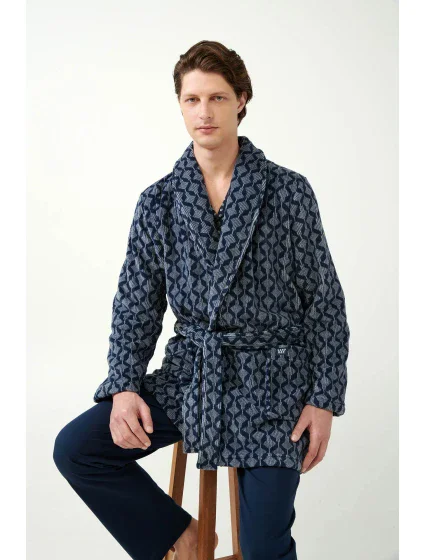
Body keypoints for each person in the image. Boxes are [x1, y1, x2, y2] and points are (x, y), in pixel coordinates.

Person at [53, 40, 350, 560]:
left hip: (273, 388)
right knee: (77, 450)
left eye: (217, 97)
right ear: (180, 105)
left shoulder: (288, 193)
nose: (204, 112)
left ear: (241, 100)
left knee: (262, 548)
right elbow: (136, 305)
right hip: (191, 376)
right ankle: (183, 537)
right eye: (192, 99)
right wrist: (124, 385)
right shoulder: (159, 201)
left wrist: (323, 399)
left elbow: (324, 304)